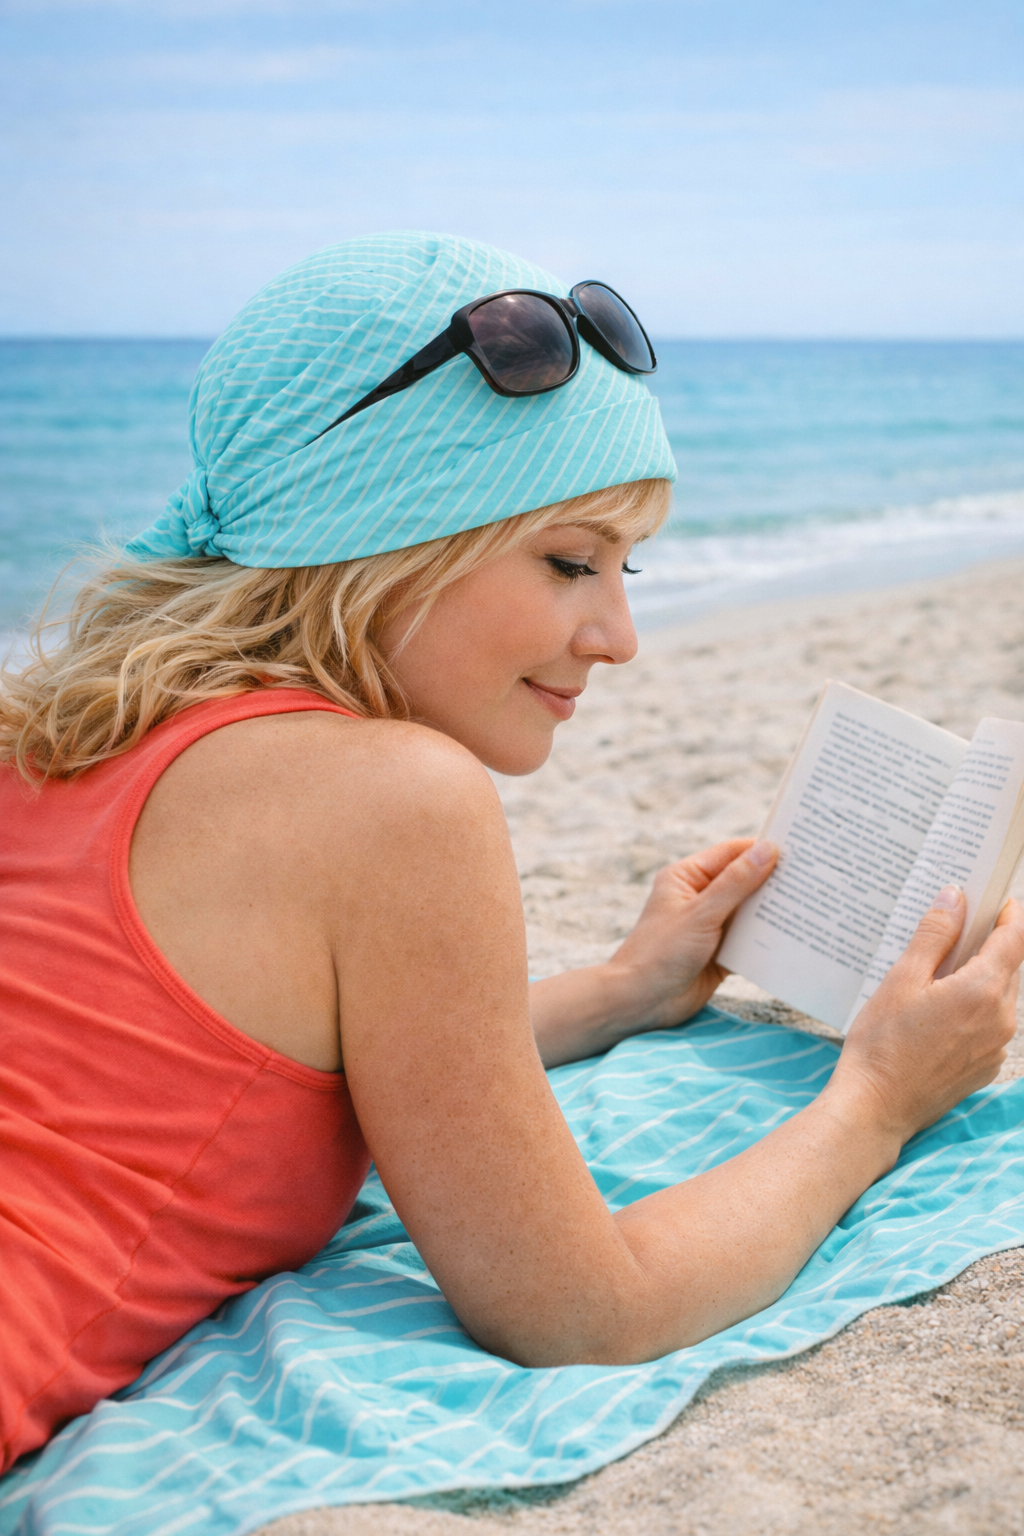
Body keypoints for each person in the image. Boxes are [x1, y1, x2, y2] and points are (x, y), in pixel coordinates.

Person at [1, 233, 1021, 1475]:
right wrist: (879, 1100)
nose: (620, 636)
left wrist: (617, 992)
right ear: (383, 536)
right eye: (569, 562)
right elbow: (587, 1313)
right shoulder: (394, 796)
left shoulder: (68, 730)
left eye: (627, 569)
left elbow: (166, 1083)